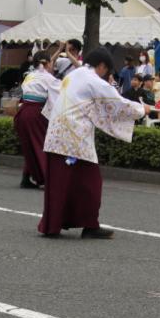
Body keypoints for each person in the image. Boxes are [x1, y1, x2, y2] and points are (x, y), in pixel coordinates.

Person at [39, 47, 147, 239]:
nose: (106, 75)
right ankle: (89, 224)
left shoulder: (74, 75)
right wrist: (141, 109)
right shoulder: (94, 80)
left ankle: (53, 223)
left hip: (57, 134)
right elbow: (117, 103)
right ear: (102, 66)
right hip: (74, 139)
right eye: (107, 70)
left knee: (60, 183)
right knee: (90, 184)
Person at [14, 50, 58, 190]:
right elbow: (58, 98)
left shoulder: (30, 75)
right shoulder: (49, 78)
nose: (53, 65)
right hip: (36, 113)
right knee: (41, 145)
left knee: (30, 146)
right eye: (51, 62)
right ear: (47, 63)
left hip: (23, 112)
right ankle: (46, 179)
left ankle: (26, 178)